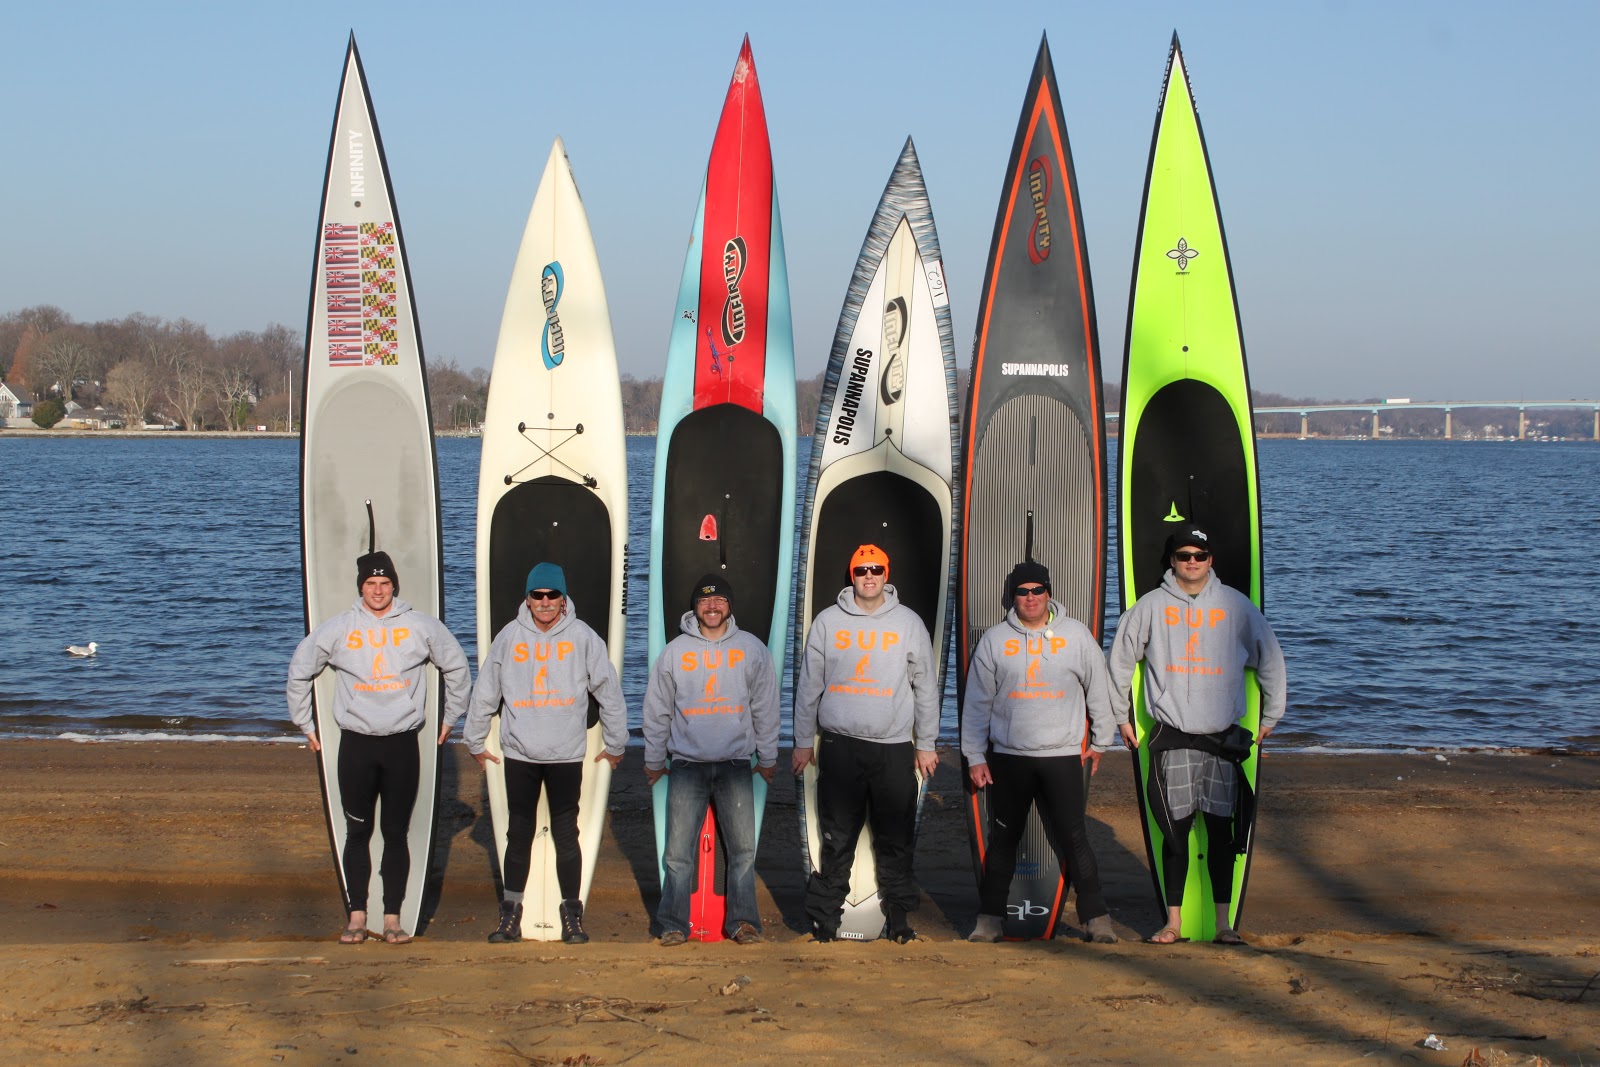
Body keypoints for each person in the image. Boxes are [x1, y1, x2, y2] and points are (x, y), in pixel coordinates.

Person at [1107, 523, 1286, 945]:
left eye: (1199, 556)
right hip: (1174, 737)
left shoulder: (1236, 606)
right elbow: (1117, 663)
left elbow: (1271, 660)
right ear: (1172, 561)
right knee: (1176, 833)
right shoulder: (1149, 607)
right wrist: (1120, 718)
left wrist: (1270, 718)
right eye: (1184, 555)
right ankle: (1173, 923)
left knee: (1221, 834)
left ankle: (1224, 925)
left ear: (1210, 561)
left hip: (1222, 739)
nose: (1192, 562)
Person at [287, 550, 471, 944]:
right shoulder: (337, 629)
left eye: (384, 583)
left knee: (395, 833)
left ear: (394, 586)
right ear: (361, 587)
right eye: (371, 584)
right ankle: (356, 916)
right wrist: (305, 724)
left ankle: (391, 919)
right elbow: (300, 670)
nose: (378, 591)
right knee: (357, 833)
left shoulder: (421, 626)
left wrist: (450, 718)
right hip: (357, 745)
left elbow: (456, 667)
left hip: (402, 744)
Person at [458, 562, 627, 945]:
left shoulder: (584, 638)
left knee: (568, 836)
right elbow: (486, 691)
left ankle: (572, 916)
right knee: (518, 834)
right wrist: (474, 740)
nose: (546, 602)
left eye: (553, 595)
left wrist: (616, 744)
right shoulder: (508, 637)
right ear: (528, 598)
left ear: (563, 599)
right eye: (539, 595)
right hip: (520, 754)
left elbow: (609, 692)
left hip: (566, 754)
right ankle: (511, 916)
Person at [961, 561, 1119, 944]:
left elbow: (1099, 690)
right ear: (1012, 597)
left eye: (1037, 590)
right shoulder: (995, 640)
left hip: (1062, 756)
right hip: (1009, 757)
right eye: (1022, 591)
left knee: (1074, 837)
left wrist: (1101, 742)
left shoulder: (1077, 636)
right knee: (1003, 839)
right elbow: (977, 702)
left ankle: (1097, 920)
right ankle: (989, 921)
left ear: (1049, 592)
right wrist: (974, 755)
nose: (1030, 598)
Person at [792, 544, 939, 943]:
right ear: (851, 576)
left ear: (886, 574)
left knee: (895, 839)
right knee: (836, 840)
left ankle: (900, 919)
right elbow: (809, 687)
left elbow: (925, 687)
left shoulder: (909, 622)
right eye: (861, 571)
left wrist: (926, 743)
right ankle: (825, 920)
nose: (868, 576)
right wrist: (803, 742)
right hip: (840, 746)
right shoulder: (827, 622)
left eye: (876, 569)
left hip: (893, 749)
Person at [643, 574, 779, 946]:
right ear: (695, 607)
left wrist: (767, 756)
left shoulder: (752, 649)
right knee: (677, 854)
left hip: (736, 764)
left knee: (742, 852)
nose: (712, 606)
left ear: (730, 606)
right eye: (704, 601)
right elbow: (657, 711)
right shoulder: (674, 652)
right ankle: (673, 923)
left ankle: (743, 922)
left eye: (719, 600)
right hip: (687, 765)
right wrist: (654, 760)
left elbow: (765, 708)